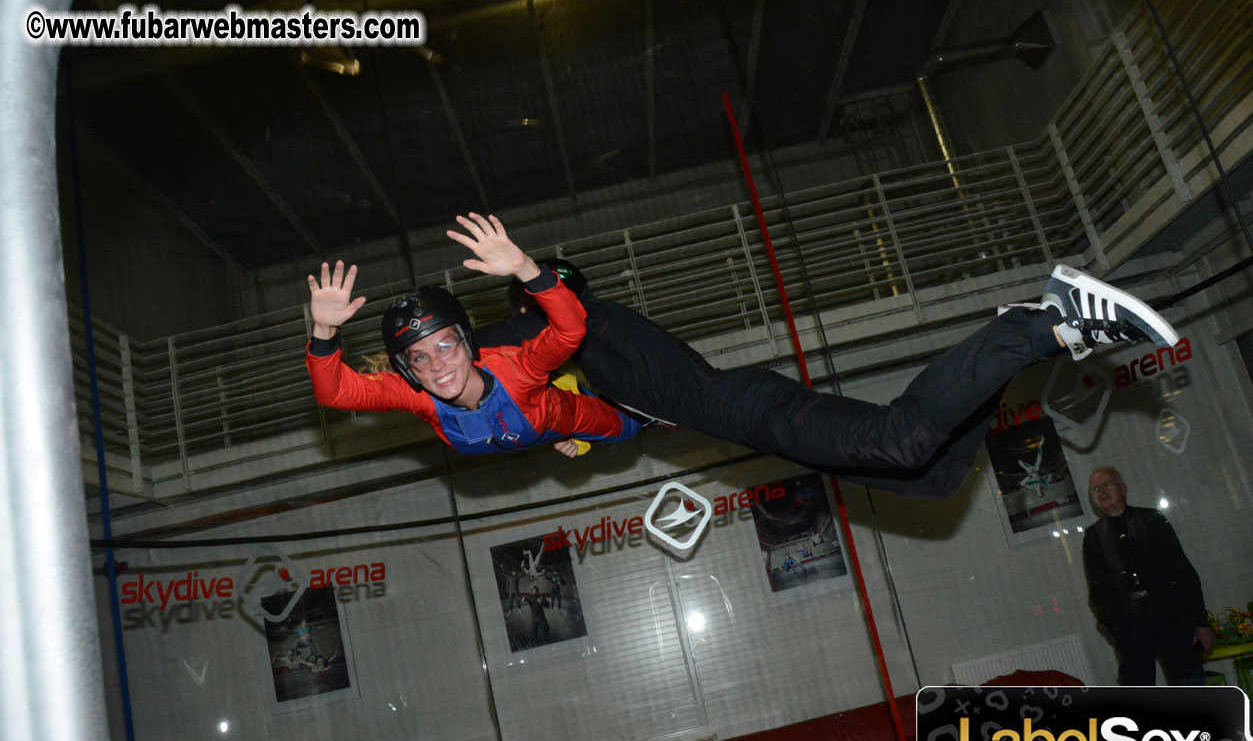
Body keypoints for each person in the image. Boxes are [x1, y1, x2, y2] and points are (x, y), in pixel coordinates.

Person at [475, 249, 1181, 498]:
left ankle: (1040, 322)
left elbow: (499, 342)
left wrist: (418, 361)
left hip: (749, 407)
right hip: (746, 423)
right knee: (931, 477)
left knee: (899, 440)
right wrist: (574, 432)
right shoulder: (600, 364)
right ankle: (1022, 341)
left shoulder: (584, 319)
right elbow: (629, 424)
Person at [305, 213, 642, 459]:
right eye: (420, 357)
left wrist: (526, 268)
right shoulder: (417, 395)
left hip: (571, 416)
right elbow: (335, 393)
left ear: (467, 344)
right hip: (535, 434)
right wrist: (324, 330)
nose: (437, 366)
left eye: (445, 346)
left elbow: (570, 331)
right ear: (409, 370)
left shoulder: (518, 372)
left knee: (629, 427)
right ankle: (565, 395)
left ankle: (567, 386)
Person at [1081, 466, 1213, 685]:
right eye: (1095, 489)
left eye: (1107, 485)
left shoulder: (1152, 519)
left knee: (1189, 685)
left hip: (1172, 617)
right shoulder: (1094, 536)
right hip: (1130, 626)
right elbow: (1097, 589)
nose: (1102, 492)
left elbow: (1183, 571)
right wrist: (1115, 628)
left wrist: (1200, 622)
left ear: (1123, 489)